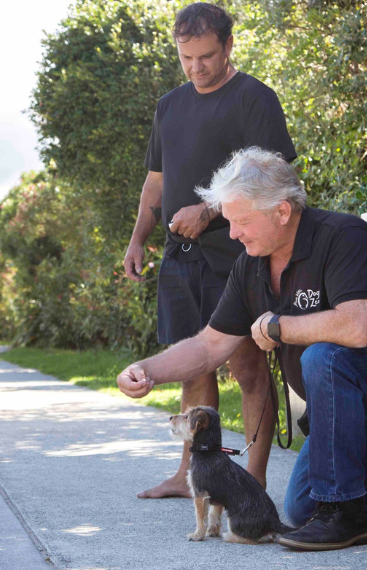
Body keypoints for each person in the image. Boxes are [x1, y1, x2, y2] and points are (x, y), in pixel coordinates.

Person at [117, 147, 367, 551]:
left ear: (283, 212)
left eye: (241, 221)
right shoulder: (250, 265)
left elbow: (359, 327)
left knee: (322, 355)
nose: (232, 232)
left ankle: (348, 520)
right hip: (344, 405)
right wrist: (147, 369)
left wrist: (280, 325)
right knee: (304, 505)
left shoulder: (344, 237)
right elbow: (208, 346)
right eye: (230, 221)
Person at [124, 2, 297, 498]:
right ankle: (190, 476)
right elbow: (154, 183)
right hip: (181, 258)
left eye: (205, 56)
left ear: (228, 47)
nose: (196, 67)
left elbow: (277, 179)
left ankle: (254, 481)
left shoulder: (255, 99)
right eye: (186, 57)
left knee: (246, 367)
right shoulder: (169, 106)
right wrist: (138, 239)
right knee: (192, 365)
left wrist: (211, 210)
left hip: (240, 257)